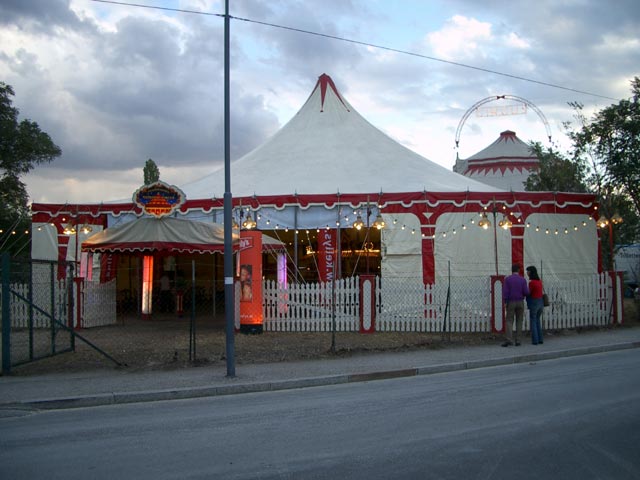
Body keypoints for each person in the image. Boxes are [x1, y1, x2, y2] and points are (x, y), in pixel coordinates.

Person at [502, 263, 529, 347]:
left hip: (511, 302)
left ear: (512, 270)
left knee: (509, 320)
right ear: (518, 270)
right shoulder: (522, 280)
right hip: (520, 301)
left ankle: (509, 339)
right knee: (519, 320)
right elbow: (526, 292)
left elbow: (505, 292)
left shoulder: (507, 279)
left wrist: (505, 301)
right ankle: (518, 340)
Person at [526, 265, 544, 345]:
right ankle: (540, 339)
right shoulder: (540, 281)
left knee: (533, 321)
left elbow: (529, 293)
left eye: (528, 271)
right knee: (537, 321)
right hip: (541, 302)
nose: (527, 273)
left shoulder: (531, 283)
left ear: (531, 272)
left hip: (534, 302)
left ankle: (535, 340)